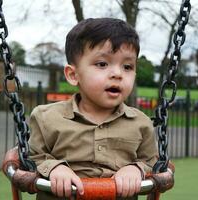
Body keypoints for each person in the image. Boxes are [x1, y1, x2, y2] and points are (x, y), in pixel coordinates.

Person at [29, 18, 158, 200]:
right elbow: (30, 156)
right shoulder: (46, 117)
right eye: (102, 64)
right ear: (73, 75)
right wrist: (53, 168)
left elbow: (153, 162)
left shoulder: (141, 123)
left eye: (127, 66)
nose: (117, 74)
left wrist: (136, 169)